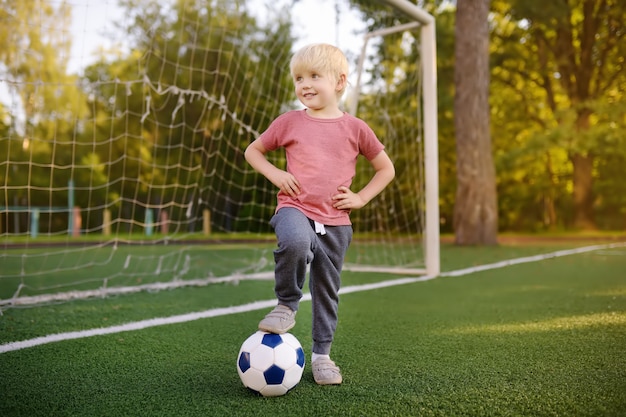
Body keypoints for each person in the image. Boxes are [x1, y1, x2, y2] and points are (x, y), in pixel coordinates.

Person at [244, 43, 395, 385]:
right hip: (294, 207)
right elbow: (253, 151)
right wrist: (277, 174)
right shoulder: (289, 122)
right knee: (295, 242)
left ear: (340, 82)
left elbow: (386, 169)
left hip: (336, 222)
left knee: (327, 290)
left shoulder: (356, 128)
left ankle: (322, 356)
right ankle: (286, 305)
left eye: (315, 76)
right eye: (299, 78)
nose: (305, 84)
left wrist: (361, 197)